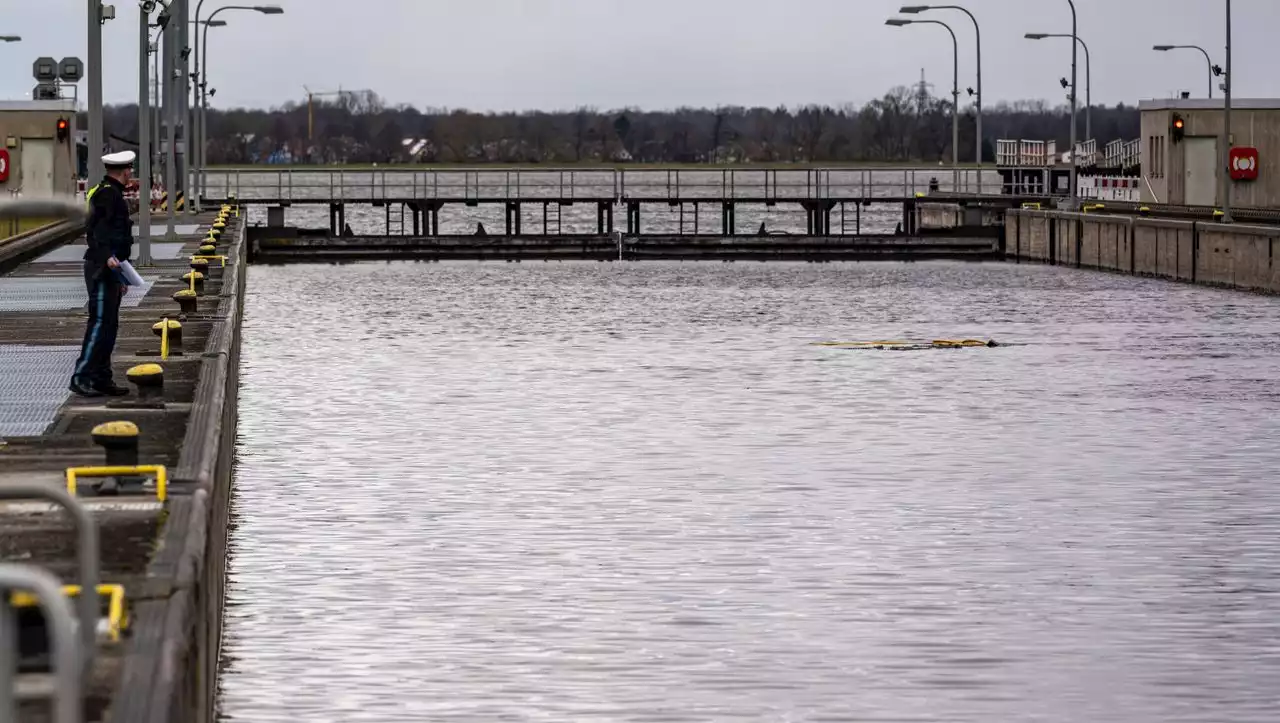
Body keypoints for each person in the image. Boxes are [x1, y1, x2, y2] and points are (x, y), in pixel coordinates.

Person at [69, 150, 137, 397]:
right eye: (130, 170)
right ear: (124, 171)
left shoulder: (107, 192)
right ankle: (81, 376)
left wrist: (121, 275)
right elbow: (97, 232)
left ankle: (101, 378)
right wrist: (109, 256)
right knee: (99, 324)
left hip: (112, 268)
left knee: (109, 325)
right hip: (102, 268)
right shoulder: (108, 195)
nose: (131, 174)